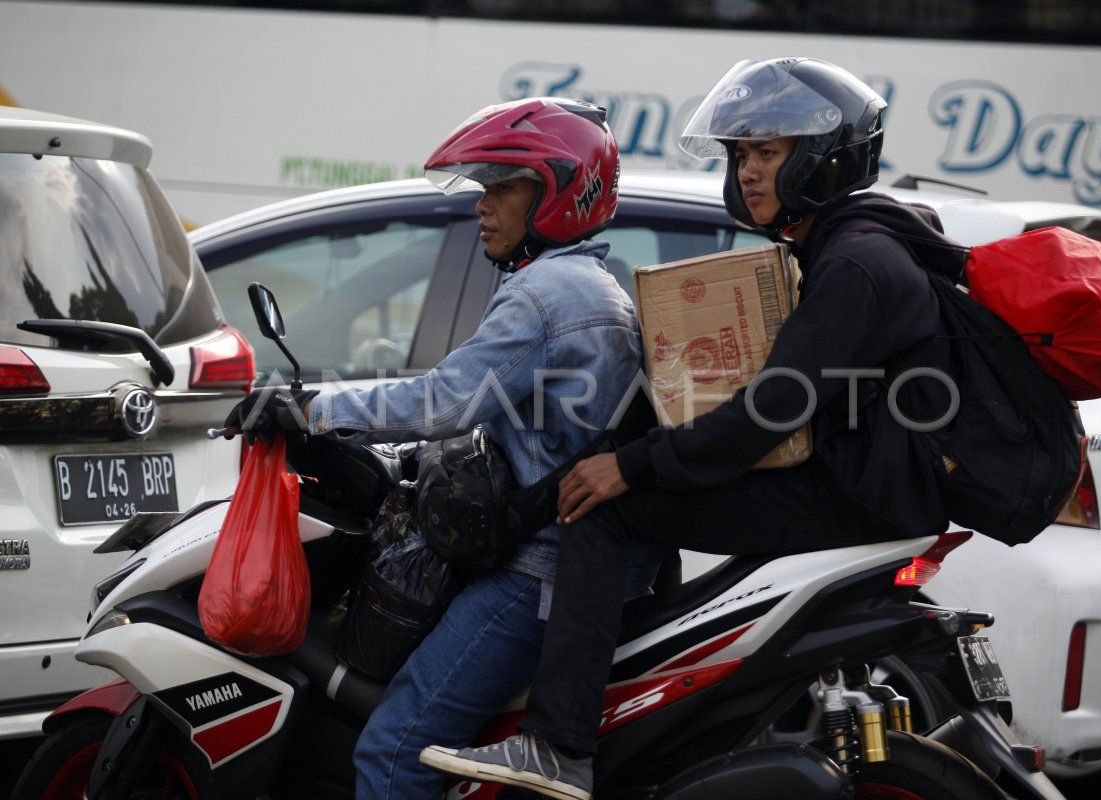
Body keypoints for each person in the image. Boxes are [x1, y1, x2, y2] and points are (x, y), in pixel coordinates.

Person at [418, 57, 968, 800]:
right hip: (862, 475)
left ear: (822, 157)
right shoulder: (850, 242)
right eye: (741, 155)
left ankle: (560, 746)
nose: (746, 172)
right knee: (637, 468)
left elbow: (770, 411)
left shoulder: (856, 262)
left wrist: (631, 467)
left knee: (612, 509)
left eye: (766, 153)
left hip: (859, 492)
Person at [226, 96, 663, 799]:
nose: (482, 207)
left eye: (502, 188)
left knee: (395, 752)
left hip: (537, 573)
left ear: (556, 193)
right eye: (483, 189)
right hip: (576, 558)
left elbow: (442, 402)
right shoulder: (591, 285)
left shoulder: (547, 294)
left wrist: (310, 407)